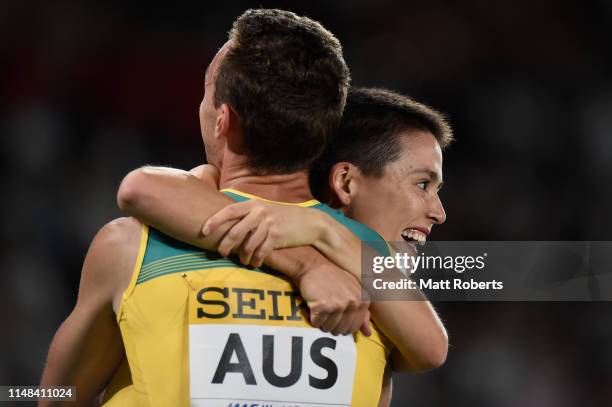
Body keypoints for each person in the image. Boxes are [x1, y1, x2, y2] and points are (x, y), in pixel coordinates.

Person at [40, 9, 402, 407]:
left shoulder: (130, 246)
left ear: (222, 121)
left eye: (206, 93)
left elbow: (58, 397)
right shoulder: (377, 262)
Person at [115, 87, 453, 406]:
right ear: (345, 182)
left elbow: (432, 347)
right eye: (422, 184)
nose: (439, 213)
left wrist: (326, 232)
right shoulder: (197, 238)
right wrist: (315, 253)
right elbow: (145, 187)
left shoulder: (383, 289)